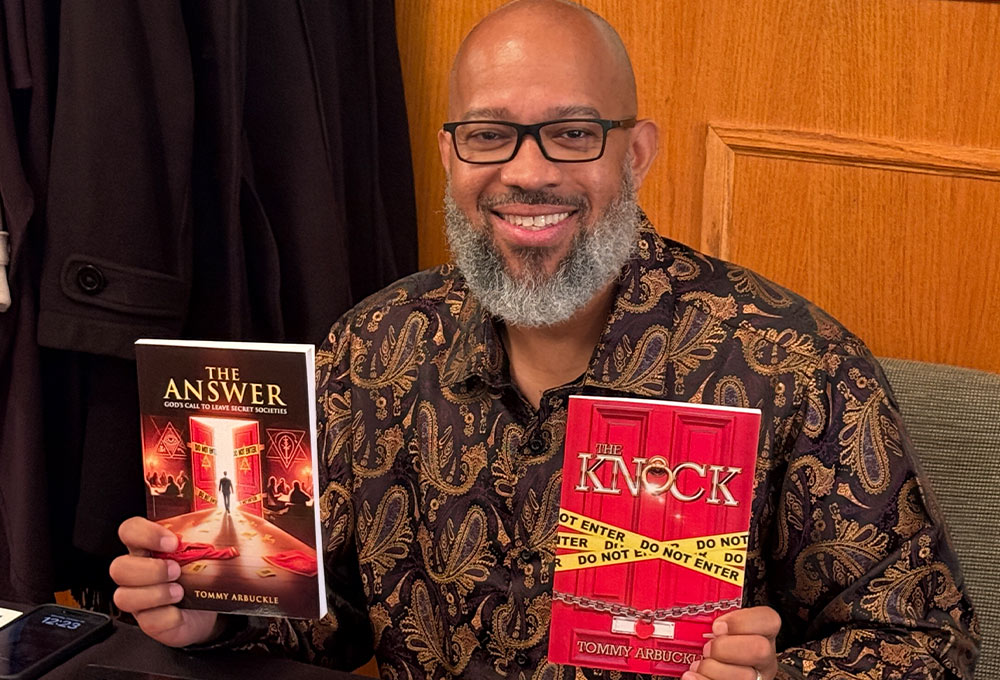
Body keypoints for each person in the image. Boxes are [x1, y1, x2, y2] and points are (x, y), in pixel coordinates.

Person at [110, 1, 978, 678]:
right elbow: (338, 620)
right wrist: (216, 615)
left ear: (634, 154)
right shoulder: (371, 348)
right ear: (451, 157)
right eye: (489, 134)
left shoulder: (793, 364)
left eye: (572, 133)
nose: (527, 173)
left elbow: (926, 645)